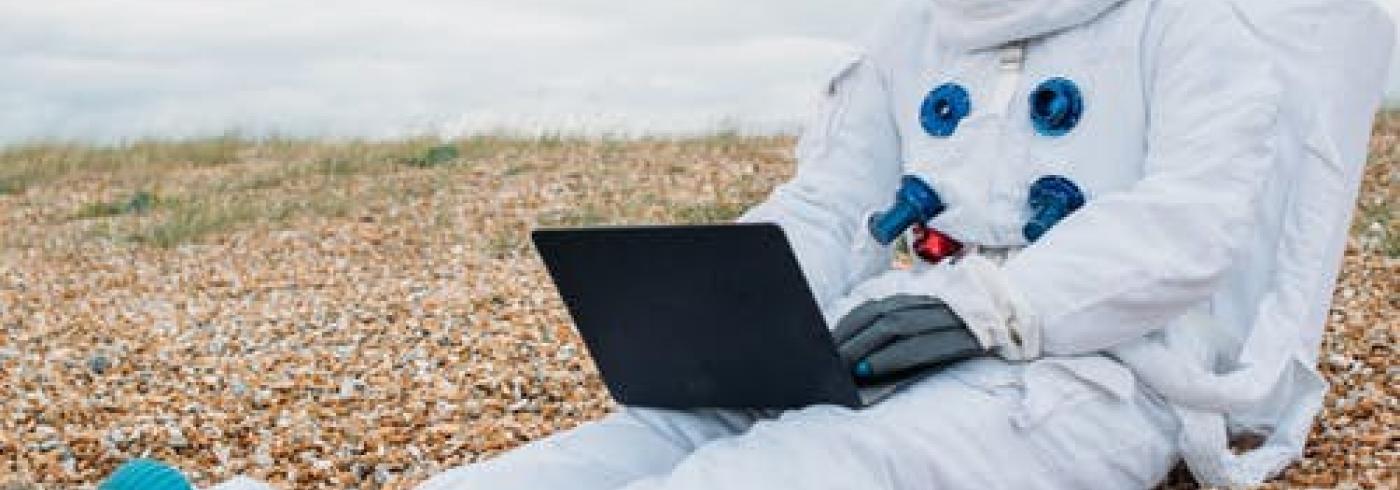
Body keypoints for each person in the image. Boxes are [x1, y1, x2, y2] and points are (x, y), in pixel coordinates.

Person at [105, 0, 1392, 488]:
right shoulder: (912, 37)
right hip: (863, 337)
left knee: (785, 478)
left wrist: (997, 307)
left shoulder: (1188, 29)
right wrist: (735, 296)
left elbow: (1194, 225)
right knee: (605, 452)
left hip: (1077, 374)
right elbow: (830, 203)